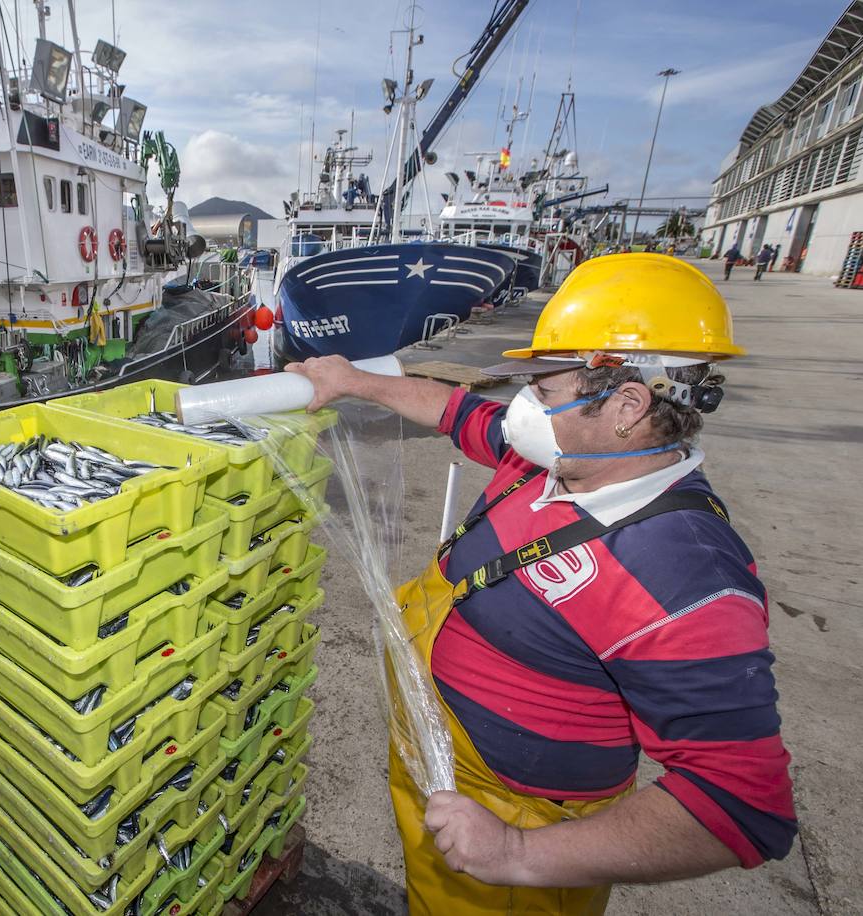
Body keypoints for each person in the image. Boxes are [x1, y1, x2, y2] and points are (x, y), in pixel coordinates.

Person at [288, 254, 795, 914]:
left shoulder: (685, 572)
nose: (520, 408)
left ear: (627, 404)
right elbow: (457, 412)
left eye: (543, 393)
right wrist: (351, 379)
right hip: (439, 766)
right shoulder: (561, 454)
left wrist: (513, 854)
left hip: (515, 829)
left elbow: (743, 802)